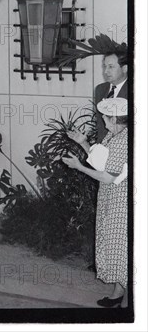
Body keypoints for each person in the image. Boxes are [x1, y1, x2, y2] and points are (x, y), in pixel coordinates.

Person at [63, 98, 128, 308]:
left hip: (121, 199)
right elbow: (101, 162)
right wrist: (83, 142)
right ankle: (119, 291)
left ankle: (123, 294)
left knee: (120, 244)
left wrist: (78, 167)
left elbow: (109, 176)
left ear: (117, 120)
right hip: (111, 195)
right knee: (115, 244)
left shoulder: (123, 140)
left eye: (107, 119)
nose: (104, 123)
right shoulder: (115, 134)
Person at [94, 52, 128, 142]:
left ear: (125, 68)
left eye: (111, 67)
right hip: (102, 146)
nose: (105, 71)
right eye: (105, 66)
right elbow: (100, 125)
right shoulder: (100, 89)